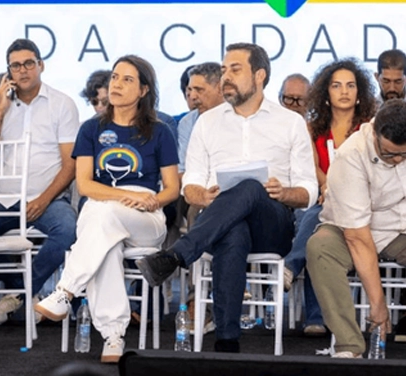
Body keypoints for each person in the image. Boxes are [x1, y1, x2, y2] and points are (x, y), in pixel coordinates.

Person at [136, 43, 317, 353]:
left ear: (259, 75)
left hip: (272, 224)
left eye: (235, 69)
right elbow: (190, 184)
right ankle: (227, 341)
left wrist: (285, 193)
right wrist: (203, 196)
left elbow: (309, 191)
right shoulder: (207, 122)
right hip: (218, 221)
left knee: (250, 187)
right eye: (223, 70)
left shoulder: (290, 122)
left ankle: (178, 254)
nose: (226, 77)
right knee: (233, 230)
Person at [35, 56, 180, 363]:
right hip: (103, 206)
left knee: (100, 217)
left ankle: (65, 290)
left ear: (143, 90)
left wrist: (153, 200)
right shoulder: (91, 129)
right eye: (115, 77)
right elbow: (85, 184)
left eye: (128, 79)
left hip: (146, 216)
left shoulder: (160, 131)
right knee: (106, 241)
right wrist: (121, 195)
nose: (117, 84)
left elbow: (172, 188)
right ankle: (113, 337)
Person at [0, 38, 80, 325]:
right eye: (15, 66)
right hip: (4, 198)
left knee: (68, 230)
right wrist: (1, 110)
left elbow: (71, 165)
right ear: (9, 72)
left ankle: (15, 296)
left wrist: (44, 200)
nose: (23, 70)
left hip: (48, 197)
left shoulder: (62, 104)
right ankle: (24, 290)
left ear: (41, 65)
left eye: (29, 63)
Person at [306, 100, 406, 358]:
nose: (397, 160)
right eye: (389, 154)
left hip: (400, 228)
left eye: (403, 155)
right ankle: (349, 345)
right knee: (320, 248)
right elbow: (357, 237)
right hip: (350, 230)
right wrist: (378, 304)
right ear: (374, 134)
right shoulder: (351, 154)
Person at [284, 59, 376, 337]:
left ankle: (291, 267)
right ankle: (315, 316)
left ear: (359, 93)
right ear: (326, 93)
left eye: (350, 86)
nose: (344, 91)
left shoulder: (370, 129)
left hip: (360, 204)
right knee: (318, 227)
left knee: (319, 221)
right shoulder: (312, 128)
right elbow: (311, 168)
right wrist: (328, 187)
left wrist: (337, 190)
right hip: (321, 200)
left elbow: (372, 171)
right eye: (336, 86)